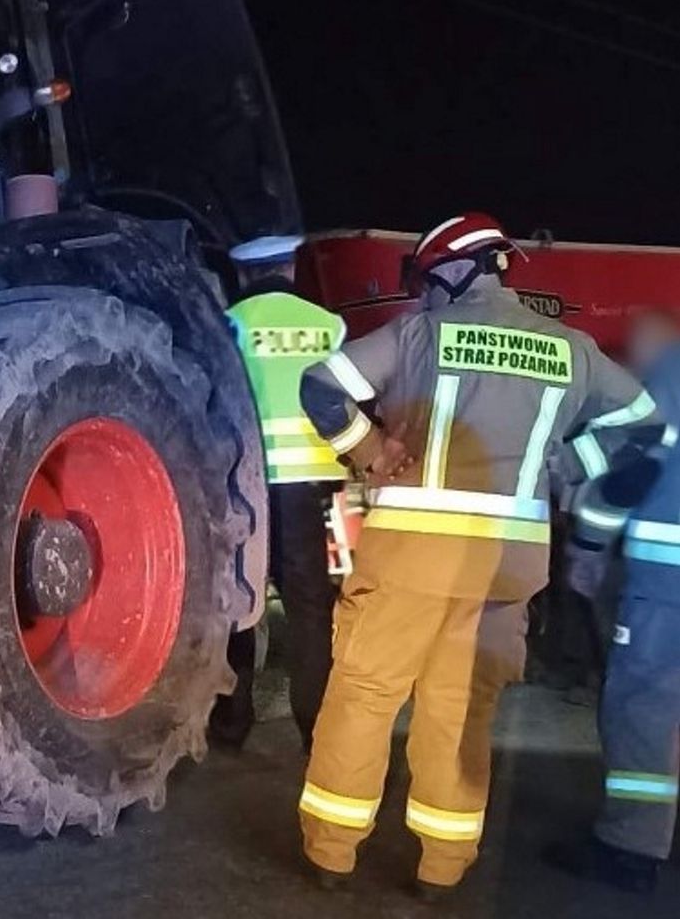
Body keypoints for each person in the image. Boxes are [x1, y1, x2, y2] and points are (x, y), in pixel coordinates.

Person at [293, 212, 662, 899]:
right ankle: (442, 867)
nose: (422, 293)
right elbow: (643, 426)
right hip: (505, 569)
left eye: (426, 279)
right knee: (461, 711)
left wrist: (368, 451)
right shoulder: (572, 349)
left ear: (453, 269)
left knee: (366, 694)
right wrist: (565, 462)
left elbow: (320, 383)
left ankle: (331, 853)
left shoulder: (416, 334)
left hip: (412, 556)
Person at [543, 311, 679, 895]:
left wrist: (589, 543)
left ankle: (631, 847)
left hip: (668, 578)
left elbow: (635, 466)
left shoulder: (672, 373)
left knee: (643, 711)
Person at [210, 235, 346, 753]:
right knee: (310, 607)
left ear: (244, 275)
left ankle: (231, 723)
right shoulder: (329, 325)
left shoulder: (230, 322)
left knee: (239, 601)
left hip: (244, 481)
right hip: (311, 483)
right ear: (291, 269)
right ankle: (317, 731)